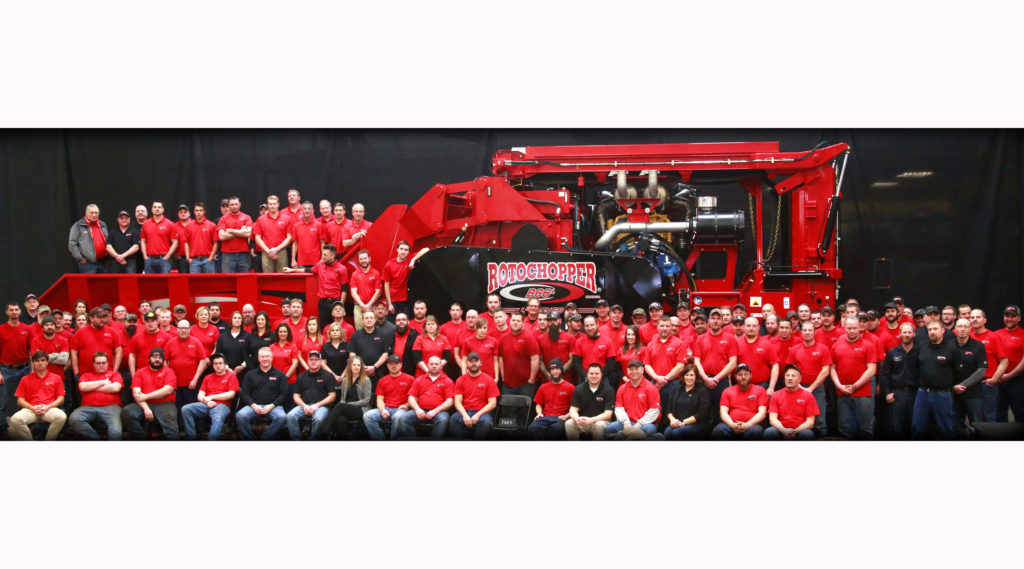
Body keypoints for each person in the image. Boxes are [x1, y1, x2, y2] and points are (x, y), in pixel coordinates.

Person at [910, 320, 962, 440]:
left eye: (935, 329)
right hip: (922, 393)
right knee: (917, 427)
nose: (932, 331)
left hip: (942, 394)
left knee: (946, 429)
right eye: (930, 329)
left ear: (943, 330)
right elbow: (917, 367)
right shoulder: (922, 345)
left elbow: (958, 371)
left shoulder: (952, 348)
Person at [830, 316, 877, 440]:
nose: (852, 331)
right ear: (844, 328)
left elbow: (872, 369)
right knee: (844, 428)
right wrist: (839, 386)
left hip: (863, 394)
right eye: (849, 328)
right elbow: (832, 369)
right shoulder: (836, 346)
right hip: (842, 393)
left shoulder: (869, 345)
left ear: (859, 328)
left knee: (865, 428)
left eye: (854, 328)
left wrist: (855, 386)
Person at [692, 308, 738, 425]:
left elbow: (733, 362)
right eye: (713, 318)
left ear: (723, 321)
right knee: (703, 413)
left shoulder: (730, 338)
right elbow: (696, 361)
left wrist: (716, 378)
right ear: (708, 322)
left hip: (721, 382)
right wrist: (706, 379)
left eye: (719, 318)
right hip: (703, 380)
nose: (716, 321)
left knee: (720, 414)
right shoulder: (701, 339)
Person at [121, 347, 178, 440]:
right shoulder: (140, 372)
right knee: (127, 412)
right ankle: (142, 438)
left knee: (169, 417)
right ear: (149, 359)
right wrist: (146, 408)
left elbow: (167, 390)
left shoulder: (169, 372)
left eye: (160, 358)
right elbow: (136, 393)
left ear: (163, 360)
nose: (157, 360)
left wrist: (146, 396)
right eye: (154, 357)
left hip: (165, 403)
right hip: (144, 404)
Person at [8, 351, 67, 440]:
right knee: (15, 420)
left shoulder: (56, 378)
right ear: (33, 363)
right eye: (37, 361)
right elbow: (20, 401)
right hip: (31, 409)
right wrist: (33, 408)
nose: (40, 363)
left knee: (62, 416)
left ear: (47, 362)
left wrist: (47, 407)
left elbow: (61, 399)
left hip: (48, 409)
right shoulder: (25, 379)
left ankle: (49, 440)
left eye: (43, 360)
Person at [285, 244, 349, 326]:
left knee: (337, 327)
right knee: (323, 326)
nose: (322, 256)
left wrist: (341, 305)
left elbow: (345, 288)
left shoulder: (342, 269)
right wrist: (292, 270)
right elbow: (307, 270)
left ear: (332, 256)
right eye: (322, 254)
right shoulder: (319, 266)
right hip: (323, 302)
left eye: (325, 255)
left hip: (335, 302)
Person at [180, 353, 239, 440]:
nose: (218, 366)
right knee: (186, 409)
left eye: (220, 363)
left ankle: (211, 440)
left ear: (225, 365)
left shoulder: (231, 376)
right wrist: (207, 401)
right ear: (212, 365)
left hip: (222, 405)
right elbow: (200, 395)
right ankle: (191, 438)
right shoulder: (207, 377)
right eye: (215, 363)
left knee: (217, 417)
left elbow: (231, 394)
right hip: (206, 404)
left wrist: (211, 397)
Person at [235, 346, 289, 440]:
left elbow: (283, 394)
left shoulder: (280, 375)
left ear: (271, 358)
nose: (265, 359)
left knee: (282, 417)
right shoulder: (250, 374)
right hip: (254, 406)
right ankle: (251, 439)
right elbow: (245, 394)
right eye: (263, 357)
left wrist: (271, 405)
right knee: (240, 416)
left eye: (267, 356)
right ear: (258, 358)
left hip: (274, 407)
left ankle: (264, 439)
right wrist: (254, 405)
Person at [67, 351, 123, 440]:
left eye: (104, 363)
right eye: (98, 363)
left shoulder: (115, 374)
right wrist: (103, 382)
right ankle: (96, 440)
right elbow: (82, 387)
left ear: (108, 363)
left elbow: (115, 388)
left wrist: (92, 387)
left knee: (116, 433)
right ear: (93, 364)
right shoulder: (86, 375)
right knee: (74, 419)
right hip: (87, 407)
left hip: (111, 407)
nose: (101, 365)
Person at [395, 355, 454, 438]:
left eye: (436, 364)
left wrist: (435, 411)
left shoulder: (448, 381)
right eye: (431, 364)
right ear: (428, 365)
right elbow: (411, 397)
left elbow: (450, 401)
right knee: (403, 419)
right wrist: (417, 409)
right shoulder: (419, 379)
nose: (434, 366)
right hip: (420, 410)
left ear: (441, 366)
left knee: (443, 420)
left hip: (439, 412)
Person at [879, 322, 919, 439]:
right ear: (900, 334)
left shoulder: (919, 352)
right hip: (897, 394)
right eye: (904, 332)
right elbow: (884, 374)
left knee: (914, 425)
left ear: (914, 334)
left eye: (909, 332)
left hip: (915, 394)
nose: (906, 334)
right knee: (897, 427)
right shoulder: (892, 353)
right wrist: (887, 392)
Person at [286, 350, 337, 440]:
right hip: (304, 406)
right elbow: (296, 396)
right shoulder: (301, 376)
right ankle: (297, 440)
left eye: (316, 359)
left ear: (321, 361)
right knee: (290, 416)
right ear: (308, 361)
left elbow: (332, 396)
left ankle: (313, 440)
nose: (313, 361)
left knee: (319, 418)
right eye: (311, 359)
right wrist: (304, 406)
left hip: (321, 407)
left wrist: (316, 406)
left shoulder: (328, 376)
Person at [448, 352, 499, 440]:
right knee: (453, 419)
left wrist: (478, 415)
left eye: (476, 361)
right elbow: (457, 402)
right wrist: (464, 415)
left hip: (482, 413)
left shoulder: (489, 380)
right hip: (465, 411)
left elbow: (492, 403)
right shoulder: (460, 380)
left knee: (485, 422)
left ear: (481, 363)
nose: (473, 364)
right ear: (467, 363)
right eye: (471, 361)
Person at [605, 359, 661, 440]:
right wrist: (626, 422)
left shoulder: (651, 388)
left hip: (646, 423)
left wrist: (639, 424)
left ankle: (624, 435)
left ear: (642, 370)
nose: (633, 372)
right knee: (609, 429)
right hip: (627, 422)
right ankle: (628, 435)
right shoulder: (622, 388)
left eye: (636, 369)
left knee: (648, 430)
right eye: (631, 369)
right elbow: (619, 408)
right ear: (627, 371)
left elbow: (654, 411)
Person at [362, 354, 414, 440]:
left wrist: (407, 405)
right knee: (367, 416)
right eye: (391, 364)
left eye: (396, 363)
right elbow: (379, 399)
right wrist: (383, 410)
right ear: (387, 365)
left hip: (401, 409)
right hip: (386, 408)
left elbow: (414, 397)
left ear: (401, 365)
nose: (393, 366)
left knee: (398, 417)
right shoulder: (382, 380)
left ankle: (393, 440)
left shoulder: (410, 379)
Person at [711, 363, 768, 440]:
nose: (743, 377)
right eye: (740, 375)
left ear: (751, 375)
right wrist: (732, 425)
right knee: (718, 431)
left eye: (746, 374)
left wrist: (747, 425)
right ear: (735, 376)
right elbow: (723, 412)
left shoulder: (760, 390)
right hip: (731, 424)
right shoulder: (727, 391)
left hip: (751, 425)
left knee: (757, 431)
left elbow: (762, 413)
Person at [164, 319, 209, 414]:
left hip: (191, 384)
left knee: (191, 408)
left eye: (186, 328)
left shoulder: (196, 342)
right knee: (177, 408)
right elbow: (165, 360)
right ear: (177, 329)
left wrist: (195, 379)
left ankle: (193, 428)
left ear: (189, 329)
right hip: (174, 385)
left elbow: (202, 361)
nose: (183, 330)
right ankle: (180, 427)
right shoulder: (170, 343)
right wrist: (169, 378)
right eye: (181, 328)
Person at [763, 364, 819, 440]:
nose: (789, 378)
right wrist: (784, 431)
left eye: (793, 376)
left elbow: (810, 422)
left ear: (799, 379)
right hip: (781, 429)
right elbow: (772, 419)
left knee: (808, 434)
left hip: (800, 430)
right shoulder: (776, 395)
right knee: (769, 432)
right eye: (787, 375)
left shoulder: (808, 395)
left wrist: (795, 431)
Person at [952, 318, 987, 435]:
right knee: (955, 427)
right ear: (955, 328)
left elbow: (981, 370)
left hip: (973, 394)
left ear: (970, 329)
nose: (962, 329)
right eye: (959, 326)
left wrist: (962, 385)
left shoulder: (978, 346)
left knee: (977, 426)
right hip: (953, 394)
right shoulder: (948, 345)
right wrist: (953, 387)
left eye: (965, 326)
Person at [969, 308, 1004, 422]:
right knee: (975, 418)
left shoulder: (993, 336)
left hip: (987, 385)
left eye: (978, 317)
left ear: (984, 320)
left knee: (989, 416)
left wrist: (994, 379)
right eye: (972, 317)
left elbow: (1004, 361)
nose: (975, 319)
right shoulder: (968, 337)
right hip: (971, 385)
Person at [565, 363, 616, 440]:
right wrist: (577, 419)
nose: (594, 376)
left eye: (597, 373)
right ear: (587, 374)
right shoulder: (579, 389)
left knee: (599, 424)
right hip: (583, 422)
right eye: (591, 373)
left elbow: (608, 414)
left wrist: (591, 420)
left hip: (602, 422)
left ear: (601, 374)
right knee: (569, 423)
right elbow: (573, 409)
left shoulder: (608, 390)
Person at [992, 305, 1024, 422]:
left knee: (1020, 413)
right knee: (999, 414)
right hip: (998, 380)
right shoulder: (996, 334)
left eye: (1013, 316)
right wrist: (997, 376)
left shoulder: (1022, 334)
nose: (1009, 319)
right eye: (1007, 316)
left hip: (1017, 380)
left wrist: (1009, 376)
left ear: (1019, 318)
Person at [528, 359, 574, 440]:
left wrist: (567, 416)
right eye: (552, 369)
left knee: (557, 430)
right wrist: (539, 413)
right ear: (550, 371)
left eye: (557, 369)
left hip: (560, 418)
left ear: (562, 370)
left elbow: (574, 406)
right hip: (545, 417)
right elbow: (538, 404)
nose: (555, 371)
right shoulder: (543, 387)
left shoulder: (570, 387)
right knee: (533, 428)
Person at [497, 312, 541, 397]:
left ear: (523, 323)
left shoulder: (529, 338)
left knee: (524, 410)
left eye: (518, 321)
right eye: (513, 320)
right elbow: (501, 358)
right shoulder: (503, 338)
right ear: (509, 321)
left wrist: (531, 380)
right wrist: (503, 377)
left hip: (525, 384)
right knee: (508, 409)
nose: (515, 322)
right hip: (507, 385)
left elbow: (535, 359)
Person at [383, 241, 428, 321]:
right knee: (392, 324)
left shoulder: (410, 259)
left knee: (408, 322)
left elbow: (426, 249)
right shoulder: (389, 265)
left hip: (406, 300)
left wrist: (413, 259)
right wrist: (389, 304)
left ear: (408, 251)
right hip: (393, 300)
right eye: (401, 249)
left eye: (406, 250)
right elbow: (386, 285)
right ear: (397, 250)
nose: (403, 251)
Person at [662, 364, 709, 440]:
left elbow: (702, 413)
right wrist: (672, 420)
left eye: (692, 375)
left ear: (696, 376)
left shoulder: (702, 391)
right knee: (667, 433)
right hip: (677, 423)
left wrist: (683, 422)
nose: (689, 378)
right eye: (686, 375)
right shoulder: (676, 389)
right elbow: (668, 409)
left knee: (677, 433)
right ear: (683, 376)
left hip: (695, 425)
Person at [348, 310, 392, 387]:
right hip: (359, 372)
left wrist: (374, 367)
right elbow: (352, 354)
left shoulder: (382, 334)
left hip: (378, 373)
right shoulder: (355, 335)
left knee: (377, 396)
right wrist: (362, 367)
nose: (369, 320)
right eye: (366, 318)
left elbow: (385, 354)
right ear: (362, 320)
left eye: (371, 318)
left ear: (375, 320)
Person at [643, 316, 688, 391]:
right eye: (662, 326)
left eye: (667, 326)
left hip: (674, 383)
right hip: (655, 382)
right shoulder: (651, 344)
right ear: (657, 327)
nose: (664, 328)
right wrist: (656, 378)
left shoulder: (679, 343)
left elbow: (680, 366)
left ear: (671, 327)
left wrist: (664, 379)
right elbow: (647, 365)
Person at [572, 315, 617, 388]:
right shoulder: (579, 342)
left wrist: (598, 376)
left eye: (592, 325)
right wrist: (587, 376)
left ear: (597, 325)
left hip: (602, 378)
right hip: (584, 379)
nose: (590, 328)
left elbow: (610, 364)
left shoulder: (608, 341)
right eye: (587, 326)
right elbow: (576, 363)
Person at [252, 194, 293, 273]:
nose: (272, 206)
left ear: (278, 204)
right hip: (266, 252)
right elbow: (257, 238)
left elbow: (289, 238)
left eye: (274, 204)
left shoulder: (286, 218)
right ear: (268, 205)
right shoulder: (260, 219)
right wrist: (268, 251)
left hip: (281, 251)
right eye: (270, 204)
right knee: (267, 279)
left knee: (282, 278)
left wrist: (276, 249)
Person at [127, 311, 173, 377]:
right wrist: (133, 375)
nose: (150, 323)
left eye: (152, 321)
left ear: (157, 321)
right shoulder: (137, 337)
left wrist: (168, 374)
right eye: (147, 321)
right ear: (144, 322)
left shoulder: (167, 337)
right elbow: (132, 356)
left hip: (161, 374)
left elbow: (170, 359)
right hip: (142, 375)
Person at [216, 196, 254, 273]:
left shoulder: (246, 217)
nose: (234, 206)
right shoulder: (223, 219)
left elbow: (248, 233)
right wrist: (240, 232)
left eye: (236, 204)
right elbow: (222, 236)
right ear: (229, 206)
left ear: (240, 204)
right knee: (228, 281)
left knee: (245, 279)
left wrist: (230, 230)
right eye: (232, 204)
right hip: (227, 255)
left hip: (244, 253)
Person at [68, 203, 109, 273]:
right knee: (90, 283)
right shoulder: (78, 225)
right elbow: (72, 243)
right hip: (87, 264)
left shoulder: (102, 224)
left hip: (103, 262)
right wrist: (80, 258)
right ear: (86, 213)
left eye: (96, 213)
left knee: (103, 283)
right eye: (92, 213)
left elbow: (107, 240)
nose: (94, 215)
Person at [139, 201, 179, 274]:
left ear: (163, 209)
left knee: (165, 283)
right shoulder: (146, 224)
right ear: (151, 209)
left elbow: (175, 242)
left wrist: (168, 256)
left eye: (159, 207)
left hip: (164, 259)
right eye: (155, 207)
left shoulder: (170, 224)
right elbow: (143, 241)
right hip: (149, 259)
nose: (157, 209)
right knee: (150, 283)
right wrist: (145, 256)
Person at [214, 311, 251, 378]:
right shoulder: (222, 336)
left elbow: (251, 354)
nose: (237, 320)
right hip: (225, 372)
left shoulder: (248, 336)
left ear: (242, 320)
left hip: (244, 372)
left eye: (239, 318)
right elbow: (218, 354)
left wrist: (243, 366)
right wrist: (226, 368)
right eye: (235, 318)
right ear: (231, 320)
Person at [183, 202, 219, 273]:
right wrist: (188, 257)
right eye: (197, 210)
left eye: (200, 210)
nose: (198, 212)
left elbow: (216, 242)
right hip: (194, 261)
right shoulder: (188, 226)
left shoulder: (212, 225)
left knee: (210, 282)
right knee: (194, 283)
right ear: (194, 211)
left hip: (208, 259)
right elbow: (186, 242)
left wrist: (211, 257)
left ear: (204, 211)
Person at [349, 249, 382, 326]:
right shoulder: (355, 274)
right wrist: (362, 306)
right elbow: (353, 292)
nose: (363, 260)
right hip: (358, 307)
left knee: (374, 330)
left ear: (369, 259)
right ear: (359, 260)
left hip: (373, 307)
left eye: (365, 258)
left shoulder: (376, 273)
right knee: (360, 330)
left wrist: (368, 306)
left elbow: (378, 292)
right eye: (361, 259)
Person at [289, 201, 322, 270]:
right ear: (301, 211)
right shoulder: (296, 226)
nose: (307, 211)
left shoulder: (319, 225)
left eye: (309, 209)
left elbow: (322, 243)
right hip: (301, 262)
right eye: (305, 209)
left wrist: (322, 259)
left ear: (312, 211)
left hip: (316, 261)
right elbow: (294, 244)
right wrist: (293, 259)